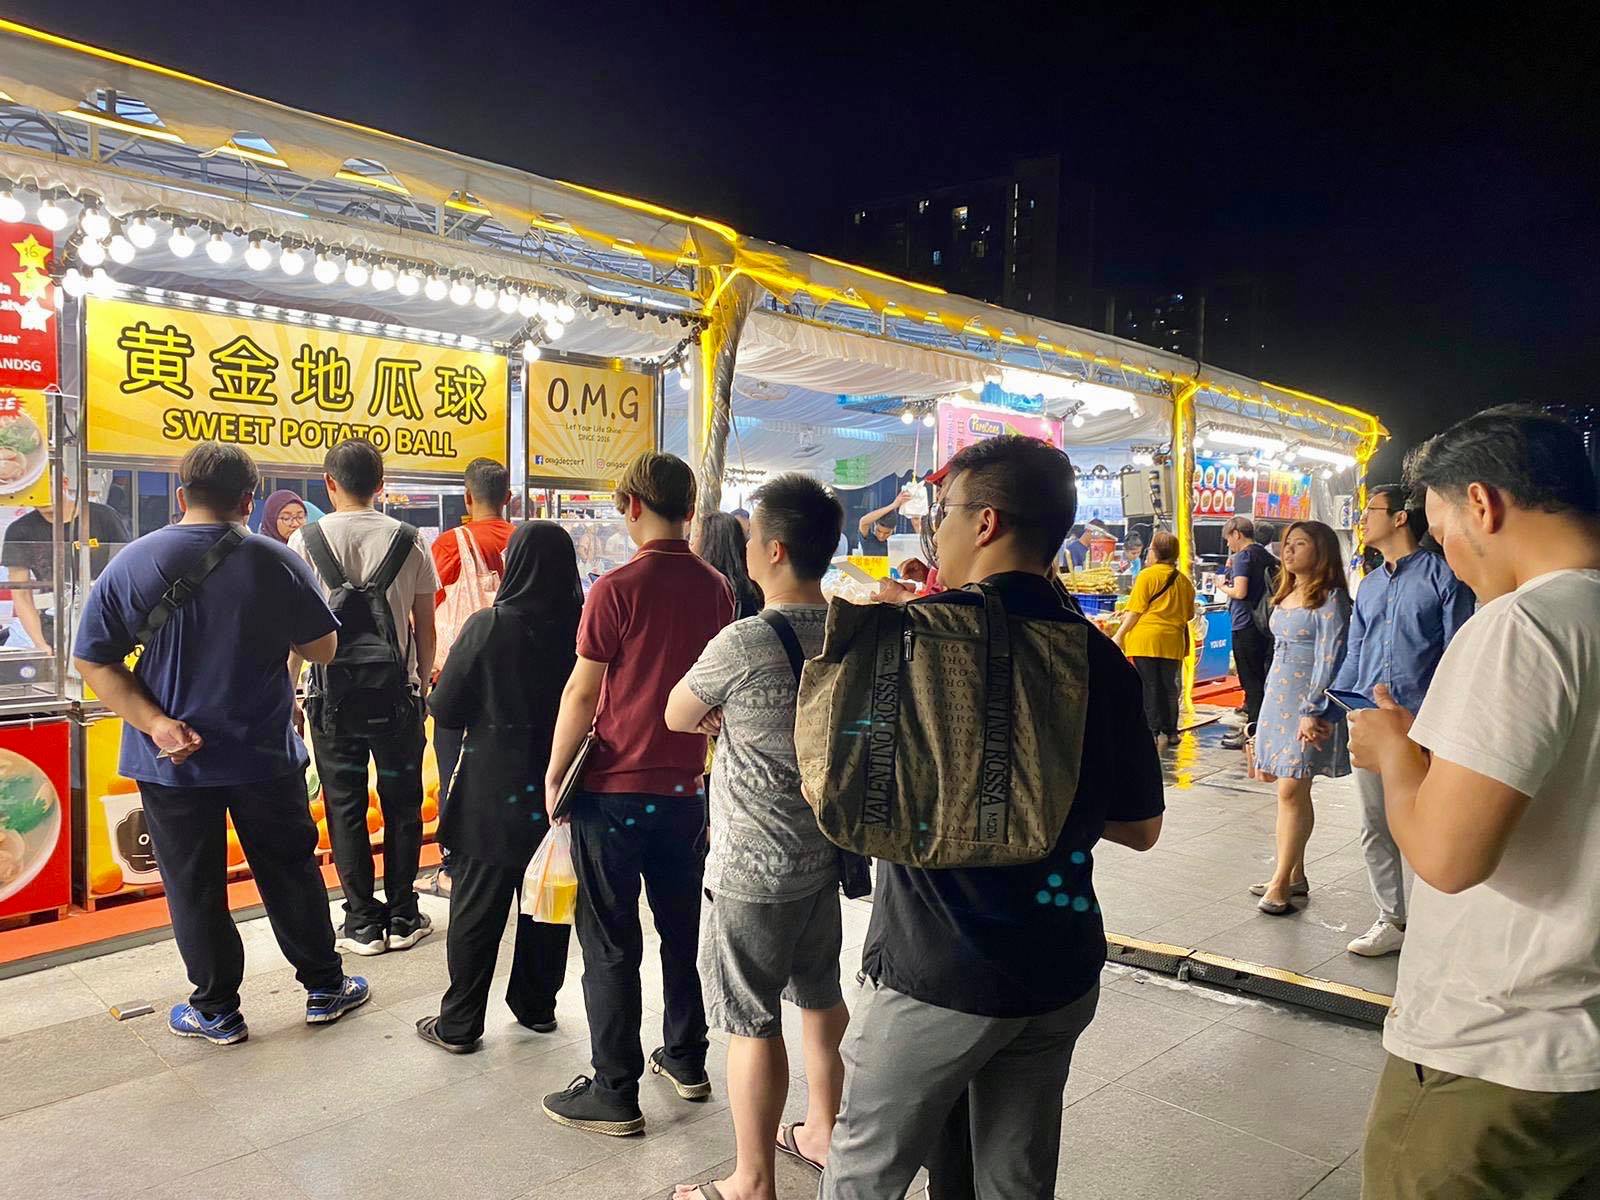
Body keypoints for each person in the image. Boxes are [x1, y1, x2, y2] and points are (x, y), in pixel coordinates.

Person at [821, 435, 1165, 1200]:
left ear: (986, 522)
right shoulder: (1098, 656)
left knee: (865, 1172)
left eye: (943, 512)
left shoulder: (913, 637)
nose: (934, 529)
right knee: (1014, 1177)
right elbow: (1142, 828)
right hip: (1059, 969)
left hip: (939, 968)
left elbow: (836, 785)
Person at [1348, 407, 1600, 1198]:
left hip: (1497, 1053)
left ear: (1482, 506)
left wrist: (1395, 755)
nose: (1449, 556)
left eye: (1441, 526)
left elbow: (1449, 858)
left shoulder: (1523, 626)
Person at [72, 442, 368, 1045]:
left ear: (181, 497)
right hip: (263, 755)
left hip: (171, 762)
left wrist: (156, 723)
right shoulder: (276, 559)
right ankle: (324, 986)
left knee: (193, 884)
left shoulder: (131, 562)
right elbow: (323, 650)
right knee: (289, 872)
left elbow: (92, 660)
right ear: (248, 500)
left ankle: (216, 1010)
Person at [664, 474, 850, 1200]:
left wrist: (724, 715)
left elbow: (679, 713)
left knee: (749, 1020)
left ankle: (752, 1180)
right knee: (820, 992)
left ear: (773, 550)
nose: (741, 546)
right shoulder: (848, 625)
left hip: (752, 867)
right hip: (825, 855)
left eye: (748, 537)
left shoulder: (744, 640)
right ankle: (823, 1129)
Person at [540, 451, 734, 1137]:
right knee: (681, 930)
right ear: (689, 510)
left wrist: (555, 771)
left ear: (631, 506)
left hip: (614, 791)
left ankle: (614, 1090)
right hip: (686, 790)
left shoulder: (615, 589)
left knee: (611, 942)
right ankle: (686, 1059)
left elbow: (582, 691)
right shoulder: (716, 588)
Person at [415, 522, 581, 1053]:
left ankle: (460, 1023)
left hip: (491, 792)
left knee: (477, 909)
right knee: (546, 900)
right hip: (561, 792)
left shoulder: (489, 625)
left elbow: (446, 708)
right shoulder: (583, 629)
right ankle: (536, 1006)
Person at [290, 439, 439, 957]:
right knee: (402, 804)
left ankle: (359, 923)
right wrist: (418, 681)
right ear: (381, 485)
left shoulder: (305, 540)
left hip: (328, 697)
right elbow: (425, 626)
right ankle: (402, 915)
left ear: (330, 484)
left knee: (344, 804)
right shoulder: (410, 539)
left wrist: (292, 689)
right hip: (396, 696)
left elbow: (296, 631)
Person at [1317, 484, 1475, 958]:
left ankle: (1436, 920)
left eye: (1371, 510)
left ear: (1402, 518)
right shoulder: (1369, 583)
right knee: (1374, 823)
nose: (1363, 518)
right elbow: (1356, 651)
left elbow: (1457, 653)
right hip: (1369, 721)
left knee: (1429, 823)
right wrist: (1335, 709)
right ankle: (1393, 919)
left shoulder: (1443, 576)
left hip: (1424, 725)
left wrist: (1440, 724)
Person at [1248, 520, 1351, 915]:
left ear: (1320, 550)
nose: (1288, 551)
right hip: (1278, 696)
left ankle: (1280, 881)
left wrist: (1314, 709)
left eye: (1300, 544)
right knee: (1288, 791)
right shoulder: (1286, 591)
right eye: (1287, 544)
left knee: (1292, 789)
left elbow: (1331, 658)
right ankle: (1293, 873)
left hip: (1311, 705)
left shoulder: (1331, 599)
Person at [426, 457, 515, 899]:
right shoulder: (524, 541)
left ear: (467, 499)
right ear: (509, 498)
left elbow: (426, 610)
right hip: (515, 680)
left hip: (457, 678)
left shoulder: (448, 544)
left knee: (454, 771)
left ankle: (455, 866)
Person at [3, 490, 130, 656]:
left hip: (103, 617)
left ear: (63, 482)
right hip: (54, 624)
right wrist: (40, 643)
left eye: (46, 487)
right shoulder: (19, 530)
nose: (42, 497)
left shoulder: (103, 516)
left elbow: (124, 570)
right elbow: (21, 594)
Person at [1113, 531, 1197, 750]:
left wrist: (1119, 635)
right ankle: (1171, 732)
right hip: (1172, 642)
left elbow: (1135, 610)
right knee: (1169, 686)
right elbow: (1189, 615)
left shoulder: (1147, 576)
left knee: (1148, 685)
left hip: (1145, 640)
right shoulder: (1184, 581)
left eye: (1150, 549)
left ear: (1157, 552)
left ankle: (1151, 730)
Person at [1219, 515, 1278, 749]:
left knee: (1251, 682)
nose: (1228, 545)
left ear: (1237, 534)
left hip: (1246, 624)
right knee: (1261, 681)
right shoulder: (1266, 555)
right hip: (1265, 625)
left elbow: (1240, 592)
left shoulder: (1243, 556)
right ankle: (1259, 732)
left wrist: (1222, 586)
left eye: (1228, 539)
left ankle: (1253, 734)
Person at [700, 510, 763, 620]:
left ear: (711, 544)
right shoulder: (751, 588)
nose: (690, 541)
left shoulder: (706, 589)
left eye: (696, 535)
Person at [856, 488, 911, 555]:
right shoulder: (868, 539)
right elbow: (863, 521)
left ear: (893, 529)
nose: (881, 535)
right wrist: (893, 505)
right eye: (878, 531)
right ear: (875, 524)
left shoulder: (897, 543)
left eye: (886, 533)